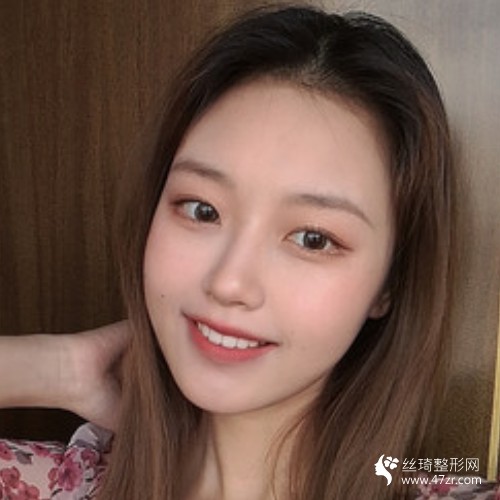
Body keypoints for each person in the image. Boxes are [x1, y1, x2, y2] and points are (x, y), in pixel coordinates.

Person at [0, 4, 497, 500]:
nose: (229, 282)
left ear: (389, 282)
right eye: (202, 210)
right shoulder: (47, 486)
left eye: (313, 239)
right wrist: (56, 370)